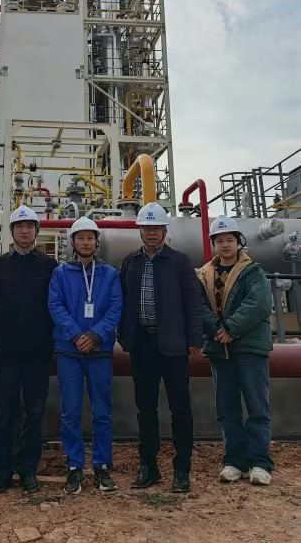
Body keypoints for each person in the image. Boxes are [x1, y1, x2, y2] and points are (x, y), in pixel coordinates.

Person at [118, 202, 203, 493]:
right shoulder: (130, 262)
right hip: (142, 344)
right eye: (147, 228)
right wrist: (124, 336)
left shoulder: (180, 261)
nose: (151, 233)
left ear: (164, 231)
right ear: (140, 231)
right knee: (145, 408)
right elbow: (122, 302)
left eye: (156, 228)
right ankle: (148, 466)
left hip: (173, 344)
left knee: (180, 408)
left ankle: (182, 469)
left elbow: (193, 301)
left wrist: (194, 339)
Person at [196, 215, 273, 486]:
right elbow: (198, 305)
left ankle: (259, 463)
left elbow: (259, 303)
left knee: (256, 407)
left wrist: (230, 328)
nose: (225, 244)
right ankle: (234, 462)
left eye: (229, 239)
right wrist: (216, 329)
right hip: (220, 349)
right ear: (213, 244)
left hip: (249, 347)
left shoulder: (253, 272)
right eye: (219, 240)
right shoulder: (204, 274)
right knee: (227, 408)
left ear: (239, 242)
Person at [48, 217, 122, 495]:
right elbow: (55, 305)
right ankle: (74, 466)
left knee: (102, 412)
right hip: (69, 351)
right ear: (73, 242)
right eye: (81, 238)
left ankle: (101, 465)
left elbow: (115, 308)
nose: (86, 242)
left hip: (99, 351)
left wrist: (95, 335)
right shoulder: (60, 273)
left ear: (96, 242)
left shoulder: (110, 274)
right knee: (70, 412)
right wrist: (76, 334)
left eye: (90, 238)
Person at [0, 205, 57, 494]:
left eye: (29, 226)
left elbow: (54, 306)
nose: (25, 231)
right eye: (20, 226)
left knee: (35, 412)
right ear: (12, 231)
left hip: (38, 352)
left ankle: (28, 469)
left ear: (36, 231)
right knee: (5, 412)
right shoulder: (0, 266)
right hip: (7, 351)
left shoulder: (49, 266)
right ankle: (2, 471)